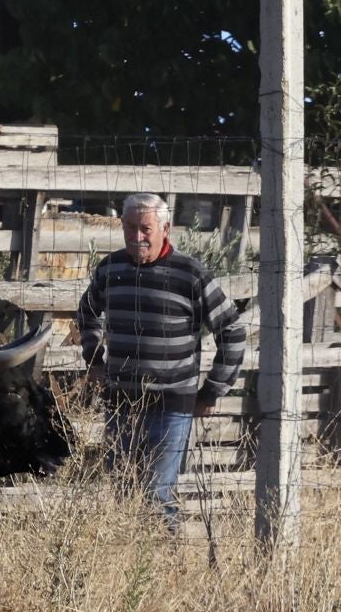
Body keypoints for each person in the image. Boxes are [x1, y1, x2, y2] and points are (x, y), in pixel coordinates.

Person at [77, 192, 246, 524]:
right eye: (129, 228)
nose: (136, 237)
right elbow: (87, 314)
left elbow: (232, 329)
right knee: (121, 492)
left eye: (145, 229)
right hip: (121, 401)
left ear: (165, 229)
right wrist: (95, 360)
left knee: (156, 494)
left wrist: (213, 390)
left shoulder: (190, 273)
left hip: (172, 404)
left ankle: (161, 562)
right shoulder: (110, 269)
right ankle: (126, 566)